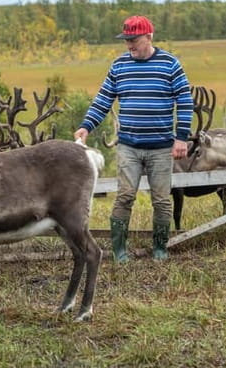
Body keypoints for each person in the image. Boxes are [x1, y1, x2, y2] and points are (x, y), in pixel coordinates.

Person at [74, 15, 192, 262]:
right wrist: (87, 126)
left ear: (149, 37)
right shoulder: (119, 66)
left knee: (161, 200)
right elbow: (103, 100)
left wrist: (181, 138)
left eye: (134, 40)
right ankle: (119, 251)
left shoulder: (170, 64)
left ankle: (160, 248)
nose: (129, 45)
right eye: (126, 40)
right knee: (125, 196)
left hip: (161, 147)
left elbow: (184, 100)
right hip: (128, 146)